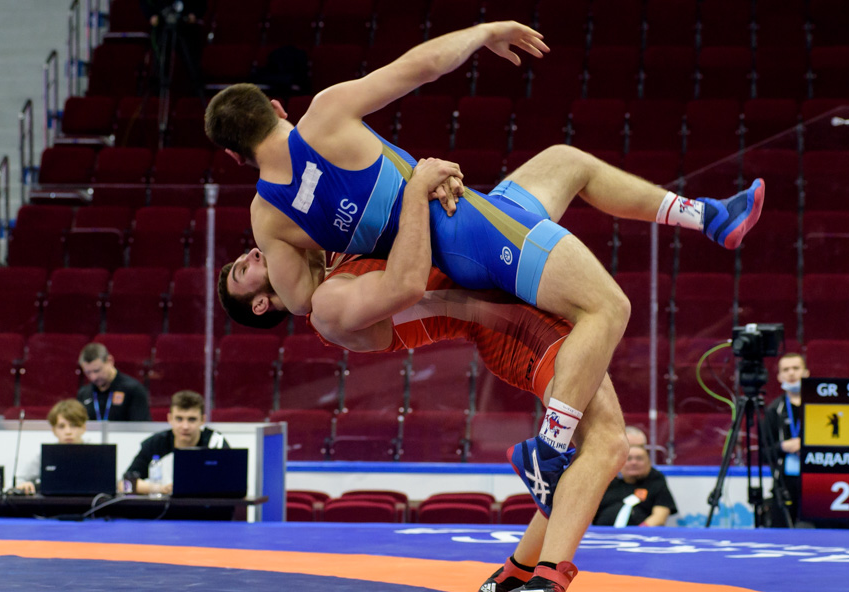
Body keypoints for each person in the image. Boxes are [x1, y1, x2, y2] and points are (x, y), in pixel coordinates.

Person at [206, 20, 764, 544]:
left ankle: (707, 216)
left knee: (567, 162)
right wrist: (483, 32)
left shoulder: (268, 216)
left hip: (470, 221)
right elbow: (420, 66)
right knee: (607, 308)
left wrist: (333, 240)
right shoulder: (324, 115)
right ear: (277, 107)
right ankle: (549, 449)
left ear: (234, 155)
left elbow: (300, 301)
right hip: (464, 232)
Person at [220, 158, 630, 592]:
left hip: (508, 286)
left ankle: (518, 571)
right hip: (513, 323)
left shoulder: (333, 250)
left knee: (567, 159)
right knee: (608, 443)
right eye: (243, 268)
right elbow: (416, 287)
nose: (253, 252)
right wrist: (424, 192)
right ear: (261, 303)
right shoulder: (328, 305)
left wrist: (445, 189)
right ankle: (545, 579)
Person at [122, 390, 228, 495]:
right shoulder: (156, 443)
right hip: (165, 505)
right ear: (170, 418)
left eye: (192, 419)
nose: (185, 426)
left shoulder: (215, 441)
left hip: (206, 505)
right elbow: (124, 484)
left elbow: (231, 482)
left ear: (203, 420)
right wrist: (161, 488)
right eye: (179, 419)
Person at [592, 428, 678, 527]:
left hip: (640, 533)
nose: (634, 462)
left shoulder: (656, 478)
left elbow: (659, 517)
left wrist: (637, 532)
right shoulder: (603, 477)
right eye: (629, 457)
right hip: (600, 533)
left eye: (640, 448)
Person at [764, 352, 809, 526]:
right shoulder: (774, 409)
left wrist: (806, 446)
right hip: (784, 482)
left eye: (796, 368)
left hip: (816, 480)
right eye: (786, 369)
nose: (791, 373)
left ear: (806, 373)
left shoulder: (819, 406)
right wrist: (783, 446)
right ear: (779, 376)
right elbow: (764, 452)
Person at [13, 399, 89, 496]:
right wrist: (23, 484)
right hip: (52, 503)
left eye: (73, 425)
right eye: (61, 426)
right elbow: (19, 479)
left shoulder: (96, 454)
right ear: (54, 430)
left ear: (83, 428)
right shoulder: (46, 455)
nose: (68, 432)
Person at [77, 343, 151, 422]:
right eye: (88, 372)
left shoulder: (133, 390)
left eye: (97, 370)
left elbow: (141, 427)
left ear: (110, 361)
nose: (93, 377)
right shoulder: (84, 393)